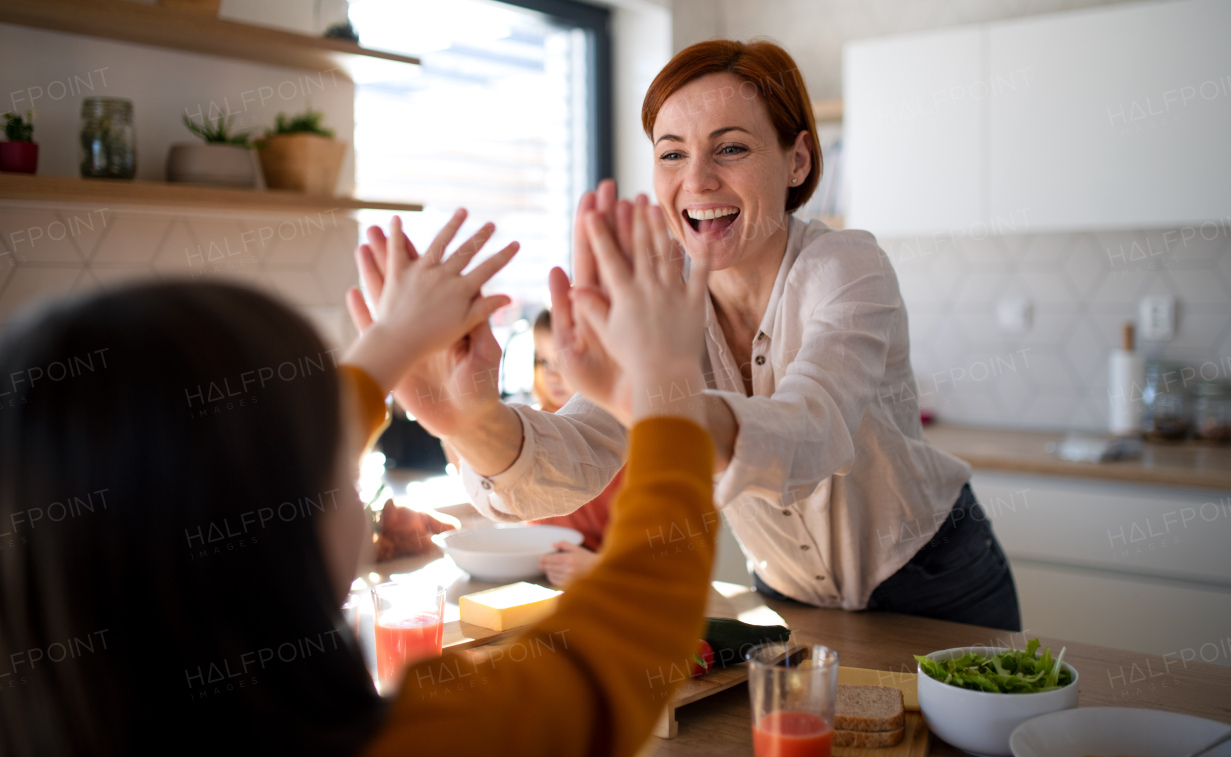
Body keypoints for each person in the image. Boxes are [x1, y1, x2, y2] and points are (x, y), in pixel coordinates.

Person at [354, 39, 1021, 632]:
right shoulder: (658, 296)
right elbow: (582, 450)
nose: (697, 180)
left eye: (730, 148)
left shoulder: (847, 267)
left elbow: (814, 431)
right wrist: (470, 420)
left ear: (796, 161)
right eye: (672, 154)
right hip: (788, 595)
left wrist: (662, 400)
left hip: (938, 576)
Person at [0, 207, 717, 757]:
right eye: (340, 475)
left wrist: (390, 348)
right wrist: (667, 388)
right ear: (274, 542)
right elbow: (634, 624)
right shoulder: (434, 738)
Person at [526, 308, 622, 586]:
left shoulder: (618, 433)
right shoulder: (533, 425)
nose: (553, 375)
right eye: (545, 361)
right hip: (543, 576)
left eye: (565, 361)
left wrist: (598, 565)